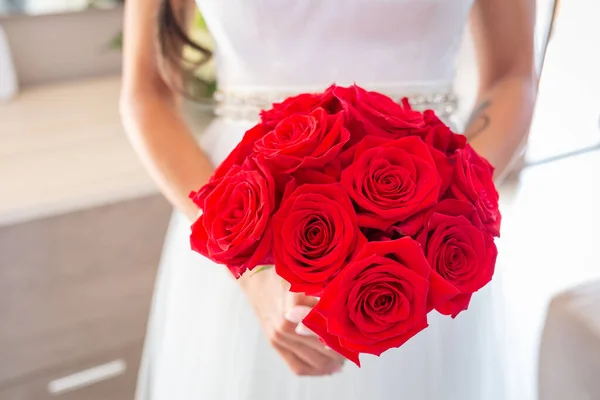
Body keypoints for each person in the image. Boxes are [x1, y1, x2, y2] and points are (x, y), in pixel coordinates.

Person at [120, 0, 536, 399]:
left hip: (427, 219)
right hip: (241, 210)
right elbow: (146, 95)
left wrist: (448, 203)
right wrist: (248, 266)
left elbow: (512, 76)